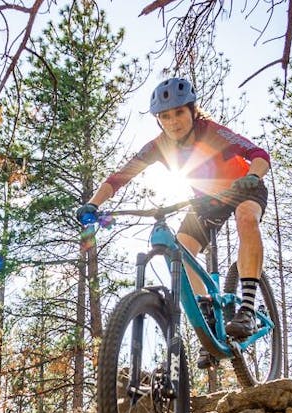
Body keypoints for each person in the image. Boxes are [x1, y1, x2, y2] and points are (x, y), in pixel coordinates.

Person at [78, 77, 271, 368]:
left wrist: (253, 177)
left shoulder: (213, 132)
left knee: (246, 218)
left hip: (244, 188)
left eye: (179, 112)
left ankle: (246, 307)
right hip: (207, 202)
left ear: (193, 111)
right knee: (182, 248)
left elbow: (258, 154)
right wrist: (94, 204)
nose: (174, 121)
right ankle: (208, 320)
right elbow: (119, 177)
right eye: (165, 116)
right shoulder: (159, 145)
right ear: (159, 120)